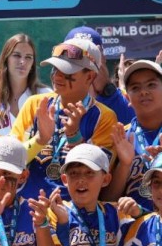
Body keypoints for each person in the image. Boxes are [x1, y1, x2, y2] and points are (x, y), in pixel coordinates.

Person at [10, 37, 117, 201]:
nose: (57, 77)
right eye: (55, 69)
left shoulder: (104, 117)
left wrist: (75, 137)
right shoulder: (35, 105)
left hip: (73, 215)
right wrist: (40, 140)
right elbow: (9, 161)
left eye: (66, 72)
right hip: (28, 208)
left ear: (90, 77)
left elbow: (99, 176)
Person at [0, 34, 50, 135]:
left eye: (28, 57)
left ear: (33, 64)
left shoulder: (45, 96)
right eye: (16, 55)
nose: (22, 62)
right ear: (6, 59)